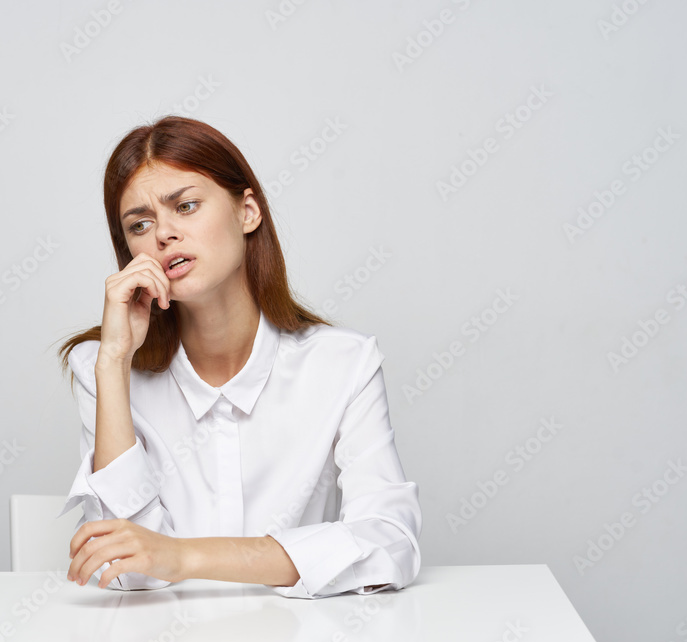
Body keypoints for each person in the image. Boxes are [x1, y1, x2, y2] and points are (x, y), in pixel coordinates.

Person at [55, 115, 421, 599]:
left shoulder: (343, 364)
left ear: (247, 212)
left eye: (185, 206)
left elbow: (389, 542)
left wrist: (184, 557)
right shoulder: (101, 366)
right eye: (139, 224)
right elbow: (122, 569)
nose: (163, 234)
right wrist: (115, 361)